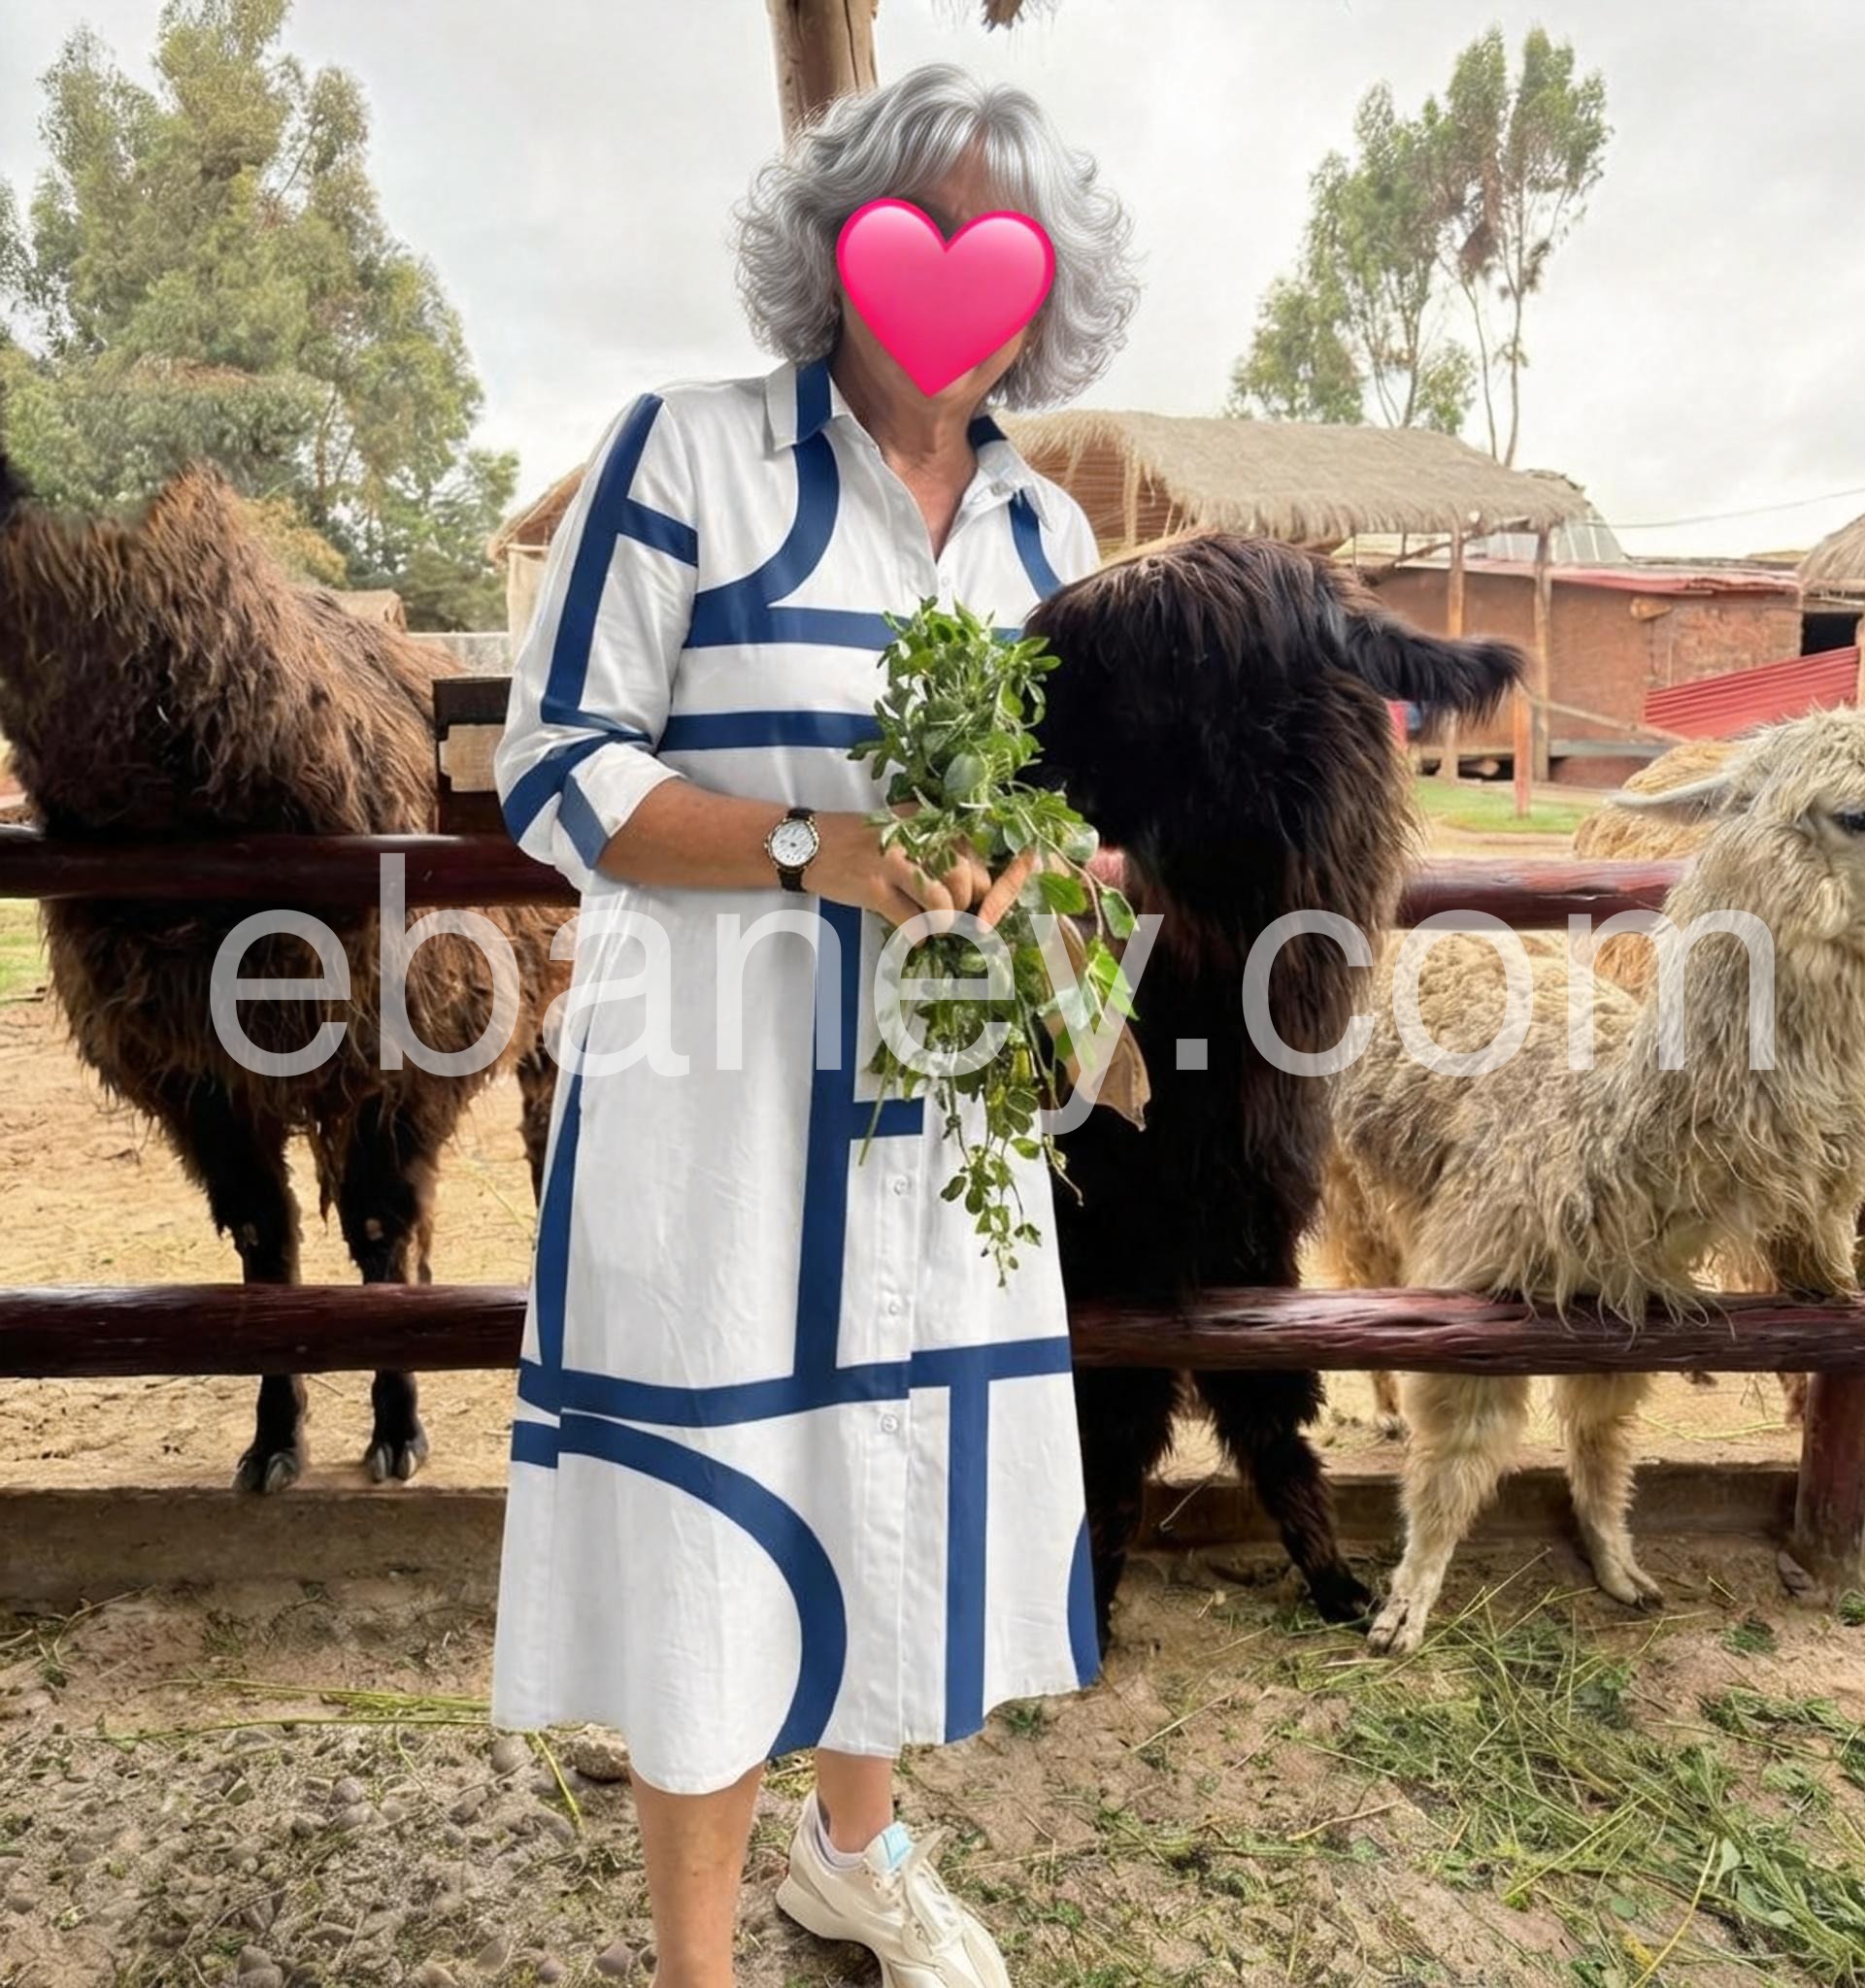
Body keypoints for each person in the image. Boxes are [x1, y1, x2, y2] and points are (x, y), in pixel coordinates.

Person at [488, 62, 1138, 1988]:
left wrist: (1053, 880)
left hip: (944, 1108)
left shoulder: (1050, 540)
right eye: (913, 224)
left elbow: (1076, 823)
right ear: (832, 246)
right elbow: (553, 769)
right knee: (716, 1524)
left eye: (1002, 240)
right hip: (719, 1103)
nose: (955, 277)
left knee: (894, 1467)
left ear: (1051, 284)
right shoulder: (684, 457)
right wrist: (813, 847)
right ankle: (697, 1966)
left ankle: (856, 1859)